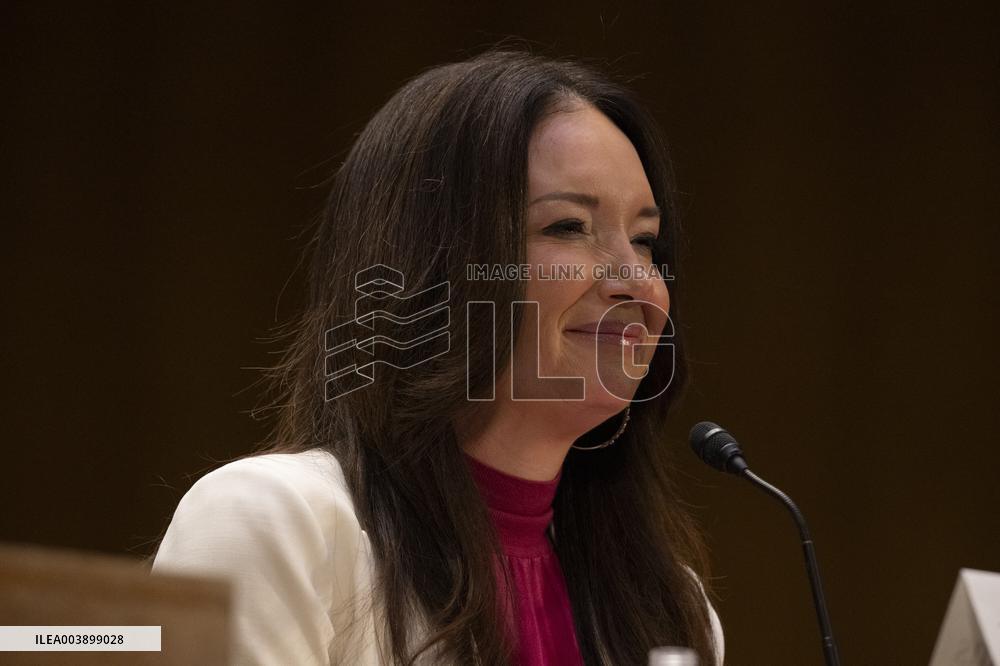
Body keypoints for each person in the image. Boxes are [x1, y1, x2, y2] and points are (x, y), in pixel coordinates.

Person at [152, 47, 725, 665]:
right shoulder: (273, 523)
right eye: (567, 227)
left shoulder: (669, 609)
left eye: (644, 240)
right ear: (434, 266)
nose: (636, 282)